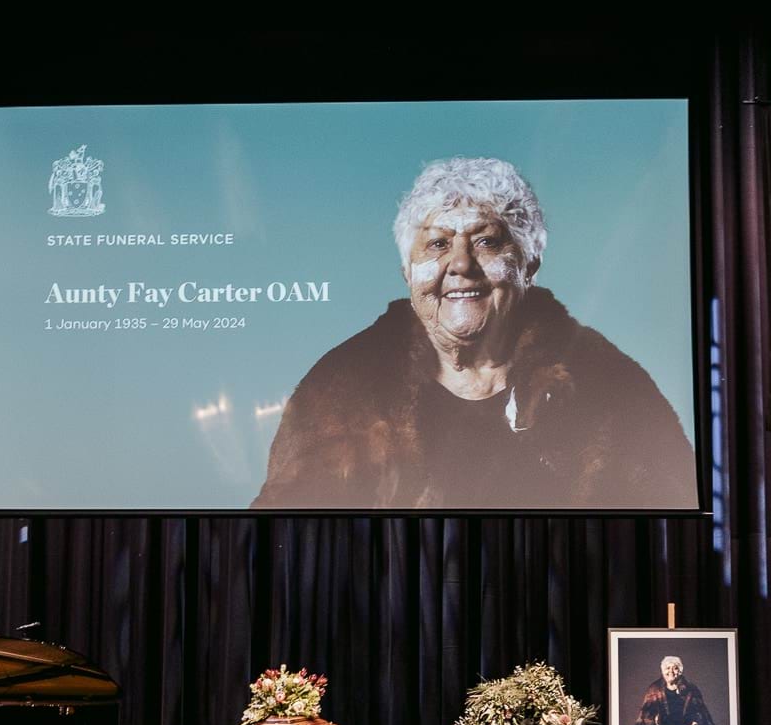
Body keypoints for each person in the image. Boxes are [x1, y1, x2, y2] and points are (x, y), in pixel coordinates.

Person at [250, 155, 697, 510]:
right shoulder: (340, 390)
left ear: (529, 264)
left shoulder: (610, 383)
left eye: (486, 241)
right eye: (438, 244)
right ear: (408, 271)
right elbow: (283, 542)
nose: (460, 265)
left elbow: (673, 520)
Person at [629, 655, 715, 725]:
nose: (671, 671)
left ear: (680, 671)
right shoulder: (654, 690)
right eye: (667, 668)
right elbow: (646, 718)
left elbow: (701, 716)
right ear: (662, 671)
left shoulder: (691, 689)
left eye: (675, 668)